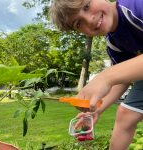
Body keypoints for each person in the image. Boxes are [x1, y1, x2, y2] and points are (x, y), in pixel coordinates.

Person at [50, 0, 143, 149]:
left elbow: (113, 77)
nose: (90, 20)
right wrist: (97, 109)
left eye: (87, 6)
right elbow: (121, 79)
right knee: (125, 115)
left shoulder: (135, 6)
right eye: (78, 23)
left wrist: (106, 77)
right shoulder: (114, 44)